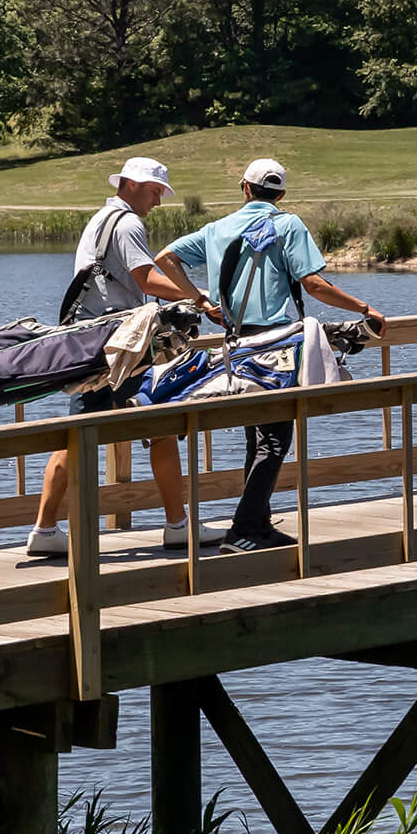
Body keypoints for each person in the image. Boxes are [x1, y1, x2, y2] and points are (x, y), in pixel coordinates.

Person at [154, 158, 388, 552]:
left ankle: (258, 525)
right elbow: (313, 284)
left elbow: (165, 259)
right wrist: (365, 310)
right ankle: (243, 530)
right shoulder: (287, 224)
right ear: (280, 194)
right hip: (278, 346)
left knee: (256, 437)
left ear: (244, 188)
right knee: (275, 440)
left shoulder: (216, 229)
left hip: (237, 343)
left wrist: (200, 300)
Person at [26, 157, 213, 556]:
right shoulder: (128, 224)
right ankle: (178, 525)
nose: (158, 202)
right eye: (154, 192)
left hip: (91, 344)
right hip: (121, 345)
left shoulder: (99, 221)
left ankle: (44, 530)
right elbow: (146, 279)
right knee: (159, 421)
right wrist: (196, 298)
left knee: (76, 436)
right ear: (130, 185)